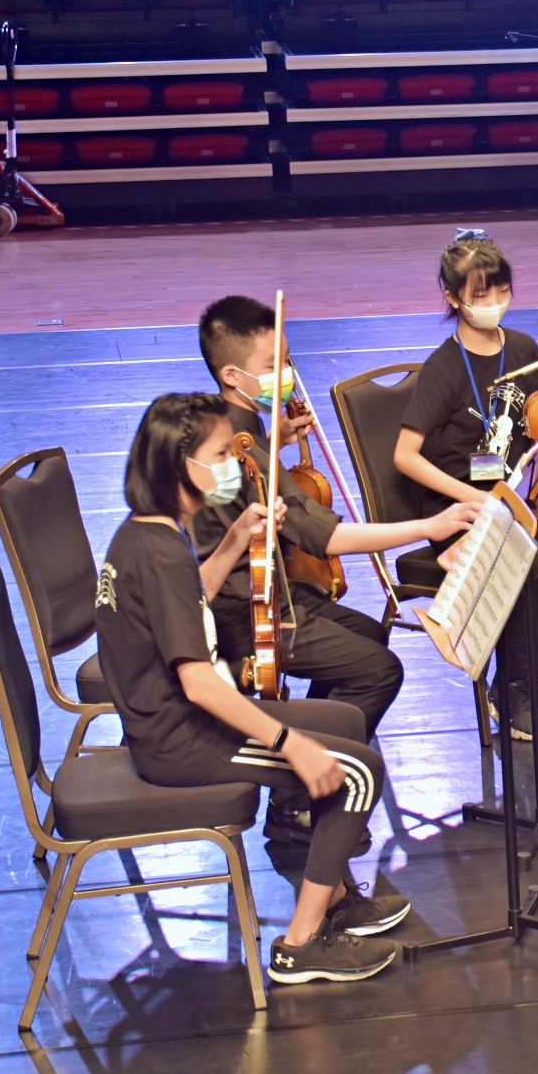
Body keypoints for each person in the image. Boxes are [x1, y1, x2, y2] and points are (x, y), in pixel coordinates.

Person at [96, 393, 475, 983]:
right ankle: (300, 944)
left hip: (174, 720)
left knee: (347, 724)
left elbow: (191, 597)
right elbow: (199, 684)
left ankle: (335, 897)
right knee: (358, 771)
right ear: (179, 466)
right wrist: (289, 742)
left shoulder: (148, 532)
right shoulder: (161, 551)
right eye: (221, 455)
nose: (232, 466)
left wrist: (234, 539)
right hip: (177, 739)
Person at [394, 231, 538, 740]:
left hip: (515, 504)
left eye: (502, 291)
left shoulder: (525, 348)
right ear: (453, 298)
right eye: (480, 294)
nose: (494, 302)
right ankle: (509, 689)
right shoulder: (444, 368)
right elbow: (404, 456)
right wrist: (473, 497)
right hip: (462, 512)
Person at [194, 295, 410, 740]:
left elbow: (250, 458)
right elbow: (319, 534)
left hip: (272, 589)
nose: (286, 374)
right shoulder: (240, 445)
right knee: (381, 671)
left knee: (370, 635)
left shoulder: (237, 425)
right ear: (231, 376)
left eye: (287, 360)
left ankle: (316, 730)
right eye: (273, 365)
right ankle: (310, 768)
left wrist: (276, 438)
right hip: (240, 610)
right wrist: (428, 528)